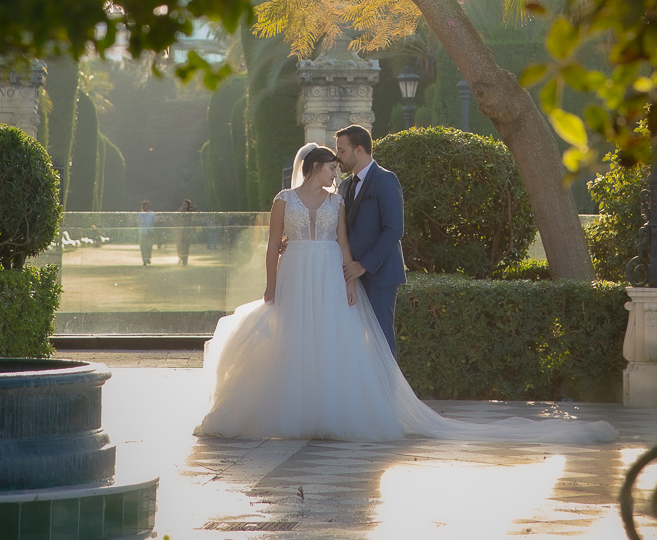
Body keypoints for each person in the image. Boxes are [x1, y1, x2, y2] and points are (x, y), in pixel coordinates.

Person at [195, 140, 615, 445]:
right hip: (296, 273)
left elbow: (354, 240)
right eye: (331, 163)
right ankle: (295, 409)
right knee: (293, 337)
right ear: (315, 167)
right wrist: (273, 278)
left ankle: (360, 407)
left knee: (339, 339)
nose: (336, 168)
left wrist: (350, 278)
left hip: (332, 273)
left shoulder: (346, 196)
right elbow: (275, 244)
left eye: (341, 158)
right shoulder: (290, 199)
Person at [335, 124, 405, 358]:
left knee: (380, 341)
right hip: (351, 279)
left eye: (342, 151)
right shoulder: (344, 185)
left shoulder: (385, 180)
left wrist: (363, 265)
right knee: (355, 342)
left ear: (360, 150)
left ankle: (389, 395)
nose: (338, 157)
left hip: (380, 274)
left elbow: (394, 229)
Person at [176, 198, 194, 266]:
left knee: (186, 247)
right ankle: (180, 257)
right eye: (182, 204)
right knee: (180, 246)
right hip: (180, 232)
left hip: (187, 232)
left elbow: (194, 209)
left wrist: (189, 207)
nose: (183, 206)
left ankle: (185, 260)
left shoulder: (190, 213)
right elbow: (175, 217)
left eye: (185, 204)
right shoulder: (179, 212)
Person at [138, 199, 155, 266]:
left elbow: (152, 222)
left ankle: (148, 257)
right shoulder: (140, 214)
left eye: (148, 205)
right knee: (143, 246)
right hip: (143, 232)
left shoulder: (152, 213)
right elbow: (142, 221)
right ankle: (144, 260)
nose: (148, 207)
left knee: (149, 246)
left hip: (150, 232)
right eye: (146, 205)